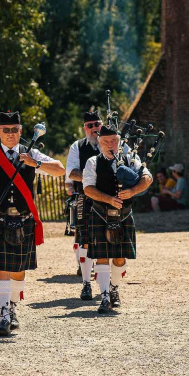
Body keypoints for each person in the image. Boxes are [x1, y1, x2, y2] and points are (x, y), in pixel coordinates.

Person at [0, 110, 65, 335]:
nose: (10, 134)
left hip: (23, 220)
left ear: (20, 131)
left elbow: (60, 170)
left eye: (14, 130)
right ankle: (3, 315)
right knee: (0, 268)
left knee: (19, 271)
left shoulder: (31, 153)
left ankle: (13, 307)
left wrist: (35, 164)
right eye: (6, 130)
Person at [83, 125, 153, 312]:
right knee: (102, 257)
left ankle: (114, 288)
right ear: (99, 142)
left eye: (114, 140)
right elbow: (88, 188)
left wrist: (132, 191)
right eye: (106, 141)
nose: (110, 144)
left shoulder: (131, 159)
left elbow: (147, 178)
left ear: (120, 141)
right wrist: (108, 199)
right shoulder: (93, 162)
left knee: (120, 258)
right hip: (100, 213)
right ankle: (105, 296)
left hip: (124, 215)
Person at [65, 111, 103, 300]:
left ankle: (108, 287)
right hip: (85, 197)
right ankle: (87, 284)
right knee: (84, 241)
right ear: (84, 128)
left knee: (110, 240)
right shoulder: (77, 146)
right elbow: (71, 172)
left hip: (108, 198)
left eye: (97, 124)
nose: (94, 128)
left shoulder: (113, 142)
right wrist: (93, 178)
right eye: (90, 125)